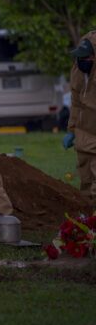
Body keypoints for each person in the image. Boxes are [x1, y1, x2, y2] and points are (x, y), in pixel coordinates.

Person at [63, 32, 96, 208]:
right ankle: (90, 223)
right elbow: (76, 103)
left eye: (86, 57)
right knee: (86, 182)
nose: (82, 60)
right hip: (84, 135)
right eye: (80, 57)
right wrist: (71, 130)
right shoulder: (78, 69)